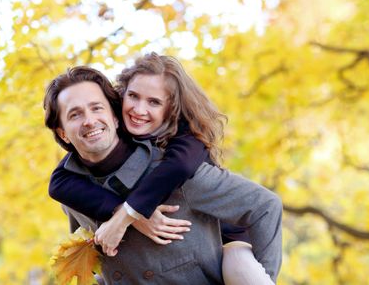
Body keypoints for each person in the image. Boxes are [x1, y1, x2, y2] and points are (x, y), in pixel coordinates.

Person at [44, 64, 282, 284]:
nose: (89, 121)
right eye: (75, 115)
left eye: (97, 108)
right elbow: (102, 263)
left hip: (233, 252)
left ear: (114, 117)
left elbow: (265, 205)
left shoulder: (178, 169)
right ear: (63, 133)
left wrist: (131, 212)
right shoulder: (71, 189)